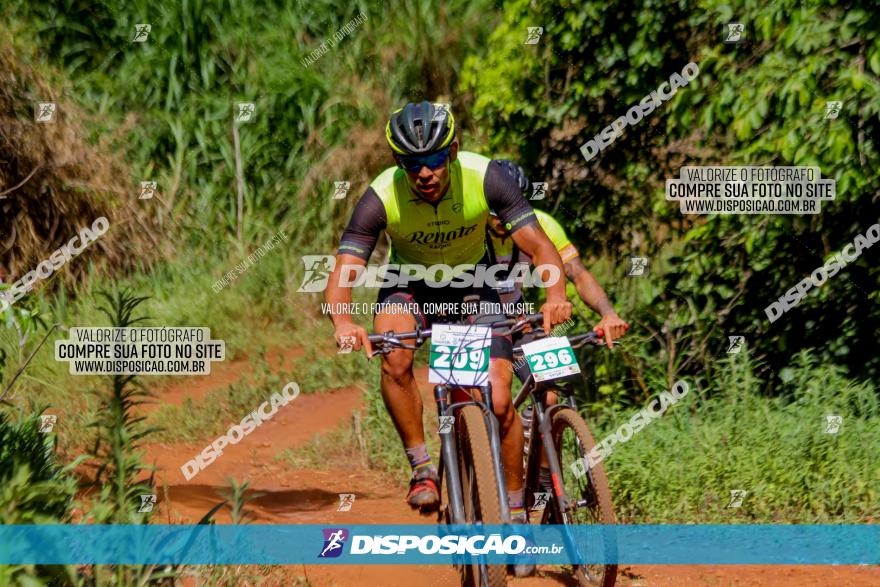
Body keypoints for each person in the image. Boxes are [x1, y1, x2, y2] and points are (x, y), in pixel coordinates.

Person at [324, 102, 573, 534]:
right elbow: (343, 270)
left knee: (498, 402)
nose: (425, 172)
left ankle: (515, 511)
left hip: (476, 286)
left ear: (453, 151)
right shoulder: (383, 194)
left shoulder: (485, 176)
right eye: (412, 163)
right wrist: (343, 322)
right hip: (410, 285)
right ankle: (422, 467)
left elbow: (539, 245)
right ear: (398, 163)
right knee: (395, 355)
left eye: (436, 159)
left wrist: (554, 295)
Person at [487, 160, 629, 495]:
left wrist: (608, 313)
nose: (502, 221)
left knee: (551, 391)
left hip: (519, 320)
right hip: (477, 322)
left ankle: (543, 483)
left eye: (510, 210)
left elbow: (578, 275)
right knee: (497, 396)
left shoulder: (542, 225)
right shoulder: (468, 230)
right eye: (495, 213)